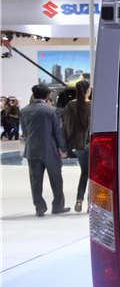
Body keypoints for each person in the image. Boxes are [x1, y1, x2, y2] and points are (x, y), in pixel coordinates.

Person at [20, 84, 70, 217]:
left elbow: (24, 132)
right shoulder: (52, 110)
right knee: (56, 179)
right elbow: (58, 131)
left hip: (32, 149)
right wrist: (63, 148)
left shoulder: (24, 111)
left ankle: (39, 207)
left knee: (35, 180)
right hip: (50, 150)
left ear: (33, 94)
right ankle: (58, 206)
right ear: (47, 96)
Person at [62, 80, 91, 212]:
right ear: (88, 90)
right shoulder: (92, 105)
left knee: (84, 172)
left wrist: (68, 144)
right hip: (91, 144)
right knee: (93, 175)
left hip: (78, 145)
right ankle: (90, 204)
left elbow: (66, 126)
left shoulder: (70, 105)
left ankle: (79, 200)